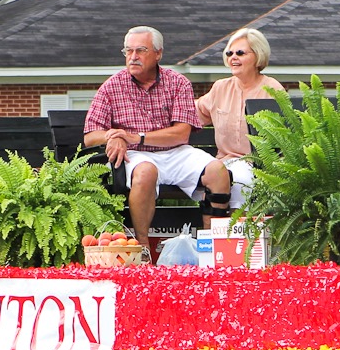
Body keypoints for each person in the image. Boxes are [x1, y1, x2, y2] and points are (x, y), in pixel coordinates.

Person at [83, 26, 231, 255]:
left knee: (218, 170)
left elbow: (181, 133)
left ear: (158, 53)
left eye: (140, 50)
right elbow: (90, 136)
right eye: (128, 51)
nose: (133, 57)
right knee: (145, 172)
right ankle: (143, 250)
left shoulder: (178, 83)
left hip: (175, 151)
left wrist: (135, 137)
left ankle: (212, 248)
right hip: (136, 156)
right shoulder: (111, 86)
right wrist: (114, 135)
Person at [194, 28, 285, 210]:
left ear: (257, 56)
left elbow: (284, 138)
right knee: (209, 174)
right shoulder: (220, 87)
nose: (233, 57)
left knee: (237, 178)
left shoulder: (272, 90)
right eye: (230, 53)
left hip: (257, 165)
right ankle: (213, 233)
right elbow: (192, 114)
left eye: (240, 53)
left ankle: (234, 233)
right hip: (223, 162)